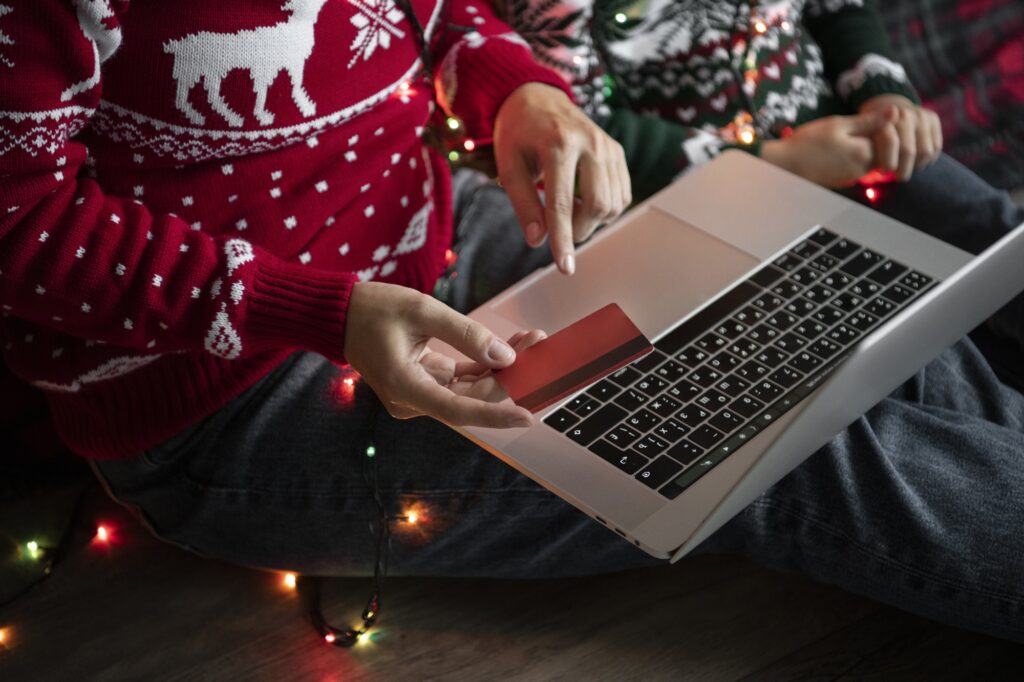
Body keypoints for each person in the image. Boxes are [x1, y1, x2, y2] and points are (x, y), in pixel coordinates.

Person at [430, 0, 1023, 641]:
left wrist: (882, 92)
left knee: (992, 233)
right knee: (833, 377)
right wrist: (777, 163)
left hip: (855, 147)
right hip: (710, 193)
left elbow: (841, 12)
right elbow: (588, 129)